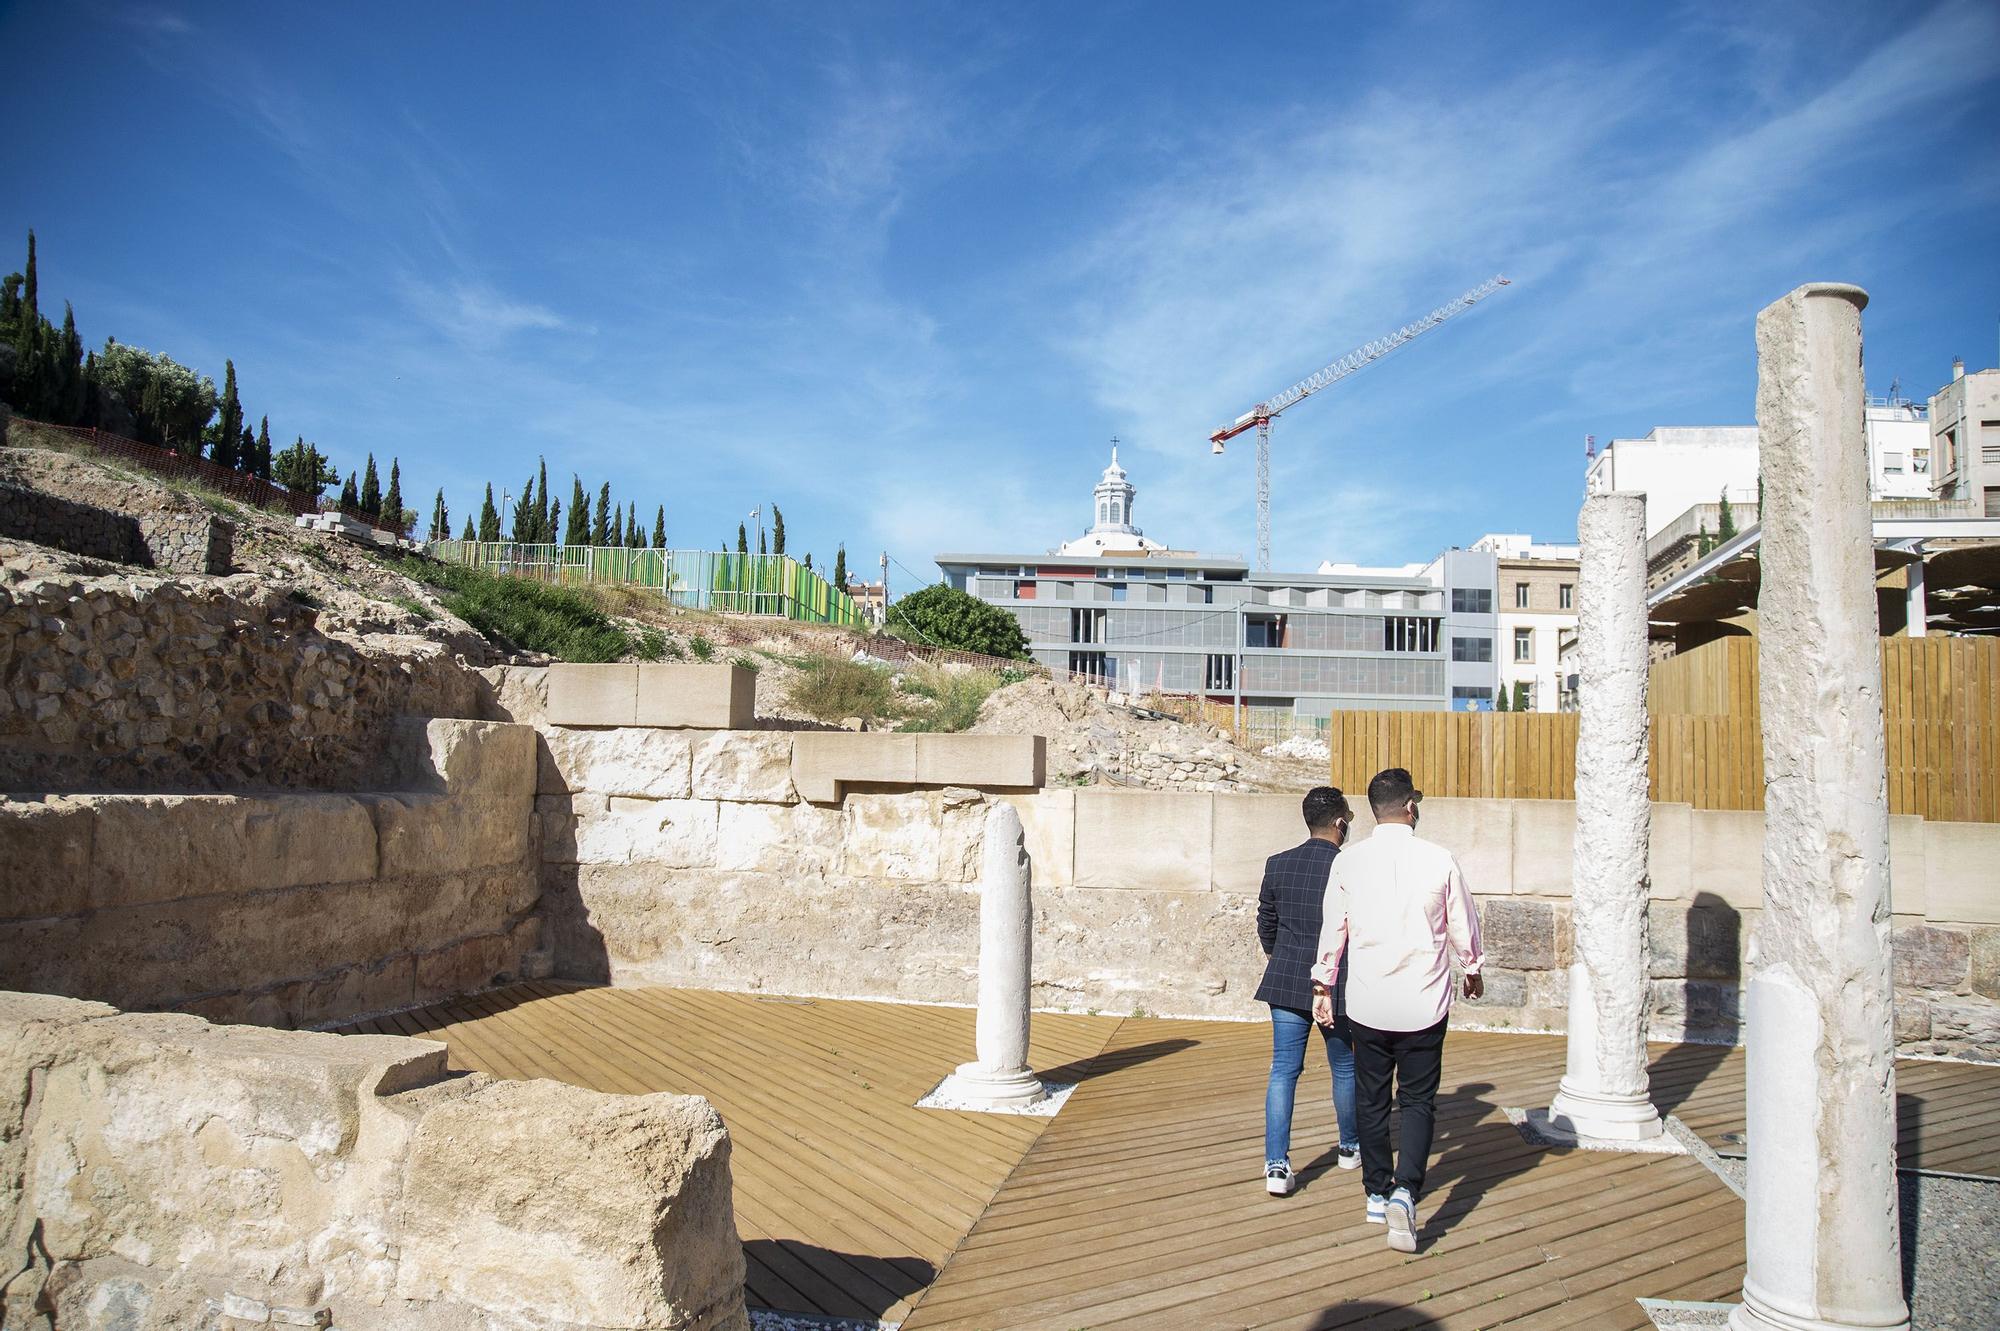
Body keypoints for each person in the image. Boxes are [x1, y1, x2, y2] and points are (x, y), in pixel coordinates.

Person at [1311, 767, 1483, 1252]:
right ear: (1410, 806)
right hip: (1424, 1002)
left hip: (1367, 1002)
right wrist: (1472, 968)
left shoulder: (1349, 862)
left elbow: (1334, 929)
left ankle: (1375, 1190)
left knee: (1370, 1097)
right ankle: (1406, 1191)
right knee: (1418, 1100)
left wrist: (1323, 985)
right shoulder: (1439, 859)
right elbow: (1462, 923)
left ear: (1371, 811)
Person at [1255, 786, 1360, 1197]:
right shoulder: (1351, 867)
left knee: (1283, 1071)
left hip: (1286, 980)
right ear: (1340, 823)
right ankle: (1349, 1148)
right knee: (1346, 1069)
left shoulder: (1278, 864)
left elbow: (1267, 923)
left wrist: (1280, 957)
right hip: (1339, 984)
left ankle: (1276, 1166)